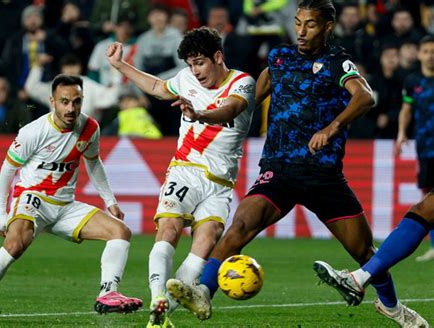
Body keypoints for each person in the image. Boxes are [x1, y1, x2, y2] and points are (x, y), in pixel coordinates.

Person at [165, 1, 428, 327]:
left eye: (311, 25)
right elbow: (246, 101)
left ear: (327, 27)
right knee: (240, 227)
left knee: (363, 251)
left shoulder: (337, 61)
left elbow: (365, 96)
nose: (301, 32)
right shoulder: (279, 58)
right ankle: (203, 290)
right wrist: (210, 115)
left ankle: (392, 307)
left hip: (323, 175)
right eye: (298, 23)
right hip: (279, 170)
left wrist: (331, 128)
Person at [0, 74, 142, 321]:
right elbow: (8, 168)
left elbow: (94, 162)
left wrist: (110, 200)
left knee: (121, 232)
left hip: (65, 206)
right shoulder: (33, 132)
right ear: (52, 101)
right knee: (14, 246)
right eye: (64, 101)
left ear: (82, 101)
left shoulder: (90, 128)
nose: (71, 108)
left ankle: (108, 293)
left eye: (76, 102)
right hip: (33, 199)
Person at [106, 27, 255, 328]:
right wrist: (120, 65)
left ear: (218, 57)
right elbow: (160, 87)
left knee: (206, 240)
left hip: (221, 183)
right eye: (190, 64)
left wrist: (200, 114)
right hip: (186, 169)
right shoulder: (186, 79)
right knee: (169, 229)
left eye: (199, 62)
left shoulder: (243, 82)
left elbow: (231, 109)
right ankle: (157, 298)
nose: (195, 71)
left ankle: (161, 315)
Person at [313, 191, 432, 327]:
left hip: (323, 178)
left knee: (364, 251)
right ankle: (363, 282)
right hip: (289, 175)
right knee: (425, 209)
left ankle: (365, 283)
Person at [396, 35, 434, 262]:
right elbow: (406, 110)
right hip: (425, 148)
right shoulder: (412, 81)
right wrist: (401, 133)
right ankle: (433, 245)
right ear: (420, 54)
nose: (431, 56)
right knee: (428, 196)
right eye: (427, 51)